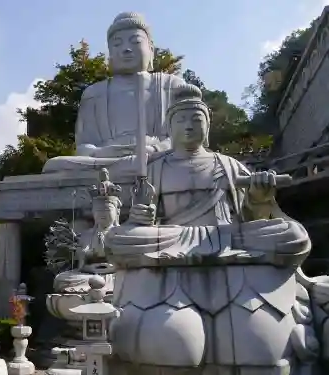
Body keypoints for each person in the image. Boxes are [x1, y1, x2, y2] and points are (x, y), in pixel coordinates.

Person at [104, 83, 314, 375]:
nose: (189, 126)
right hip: (173, 238)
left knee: (293, 235)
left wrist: (259, 196)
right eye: (181, 120)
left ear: (208, 125)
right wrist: (140, 218)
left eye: (196, 119)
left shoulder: (228, 165)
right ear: (169, 126)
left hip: (227, 235)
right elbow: (141, 223)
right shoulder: (155, 168)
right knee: (117, 240)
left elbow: (251, 217)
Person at [42, 12, 187, 174]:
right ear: (110, 53)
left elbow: (186, 136)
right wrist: (103, 152)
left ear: (151, 49)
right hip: (107, 160)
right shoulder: (94, 93)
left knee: (191, 160)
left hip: (157, 156)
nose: (126, 49)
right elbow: (83, 147)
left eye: (135, 41)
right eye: (117, 44)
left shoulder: (171, 85)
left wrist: (154, 149)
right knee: (53, 165)